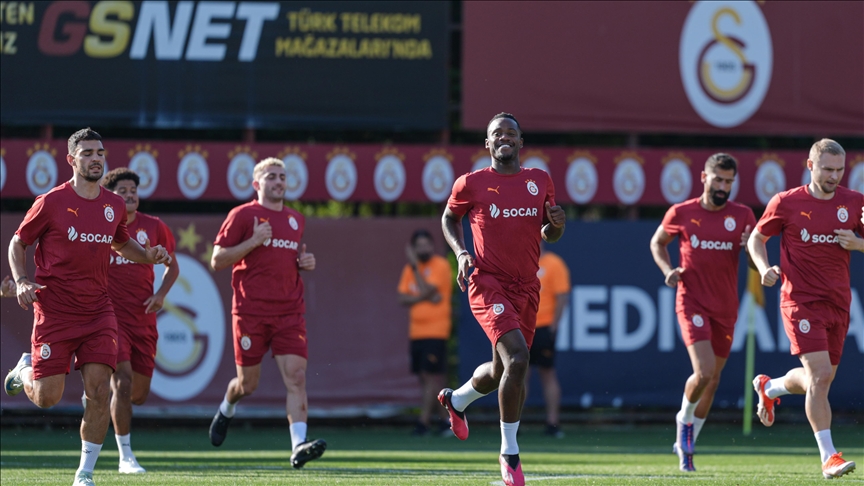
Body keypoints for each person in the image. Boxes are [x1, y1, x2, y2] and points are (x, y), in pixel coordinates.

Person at [4, 128, 170, 486]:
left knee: (98, 391)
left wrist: (149, 256)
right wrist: (20, 281)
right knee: (49, 399)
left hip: (98, 313)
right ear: (72, 160)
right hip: (55, 312)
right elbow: (17, 244)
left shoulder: (113, 205)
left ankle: (84, 474)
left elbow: (122, 245)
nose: (96, 158)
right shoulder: (49, 202)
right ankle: (24, 370)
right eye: (88, 153)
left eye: (100, 152)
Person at [438, 113, 565, 486]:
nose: (504, 137)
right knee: (519, 359)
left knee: (500, 372)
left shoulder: (539, 180)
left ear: (520, 142)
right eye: (498, 133)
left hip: (527, 286)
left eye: (511, 132)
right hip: (487, 282)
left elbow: (550, 234)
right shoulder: (472, 183)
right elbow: (449, 218)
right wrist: (462, 254)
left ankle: (456, 400)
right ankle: (509, 452)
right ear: (488, 144)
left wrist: (555, 224)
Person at [748, 139, 863, 480]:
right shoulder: (786, 202)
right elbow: (756, 237)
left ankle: (770, 388)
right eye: (828, 169)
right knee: (821, 376)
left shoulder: (854, 202)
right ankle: (829, 457)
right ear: (811, 166)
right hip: (799, 301)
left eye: (840, 170)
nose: (834, 176)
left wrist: (858, 243)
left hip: (839, 303)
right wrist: (763, 266)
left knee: (820, 380)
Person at [207, 157, 326, 469]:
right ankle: (226, 407)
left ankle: (298, 445)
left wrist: (304, 263)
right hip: (250, 312)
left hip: (289, 312)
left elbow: (289, 259)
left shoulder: (295, 219)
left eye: (282, 177)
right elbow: (217, 260)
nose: (278, 181)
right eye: (271, 176)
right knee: (247, 385)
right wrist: (254, 240)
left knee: (297, 377)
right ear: (256, 184)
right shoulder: (243, 215)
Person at [649, 153, 756, 472]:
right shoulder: (682, 212)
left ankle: (687, 442)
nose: (723, 186)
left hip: (725, 306)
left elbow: (753, 261)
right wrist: (667, 270)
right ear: (704, 178)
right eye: (718, 179)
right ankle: (684, 423)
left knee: (713, 380)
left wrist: (750, 248)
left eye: (729, 182)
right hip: (691, 301)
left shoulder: (743, 214)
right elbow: (657, 242)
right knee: (705, 370)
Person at [100, 167, 179, 474]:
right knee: (122, 381)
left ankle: (97, 392)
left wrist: (160, 295)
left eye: (133, 190)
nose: (130, 194)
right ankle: (125, 457)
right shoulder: (101, 227)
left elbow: (173, 267)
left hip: (142, 318)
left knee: (138, 394)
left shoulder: (154, 226)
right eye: (123, 191)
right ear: (111, 197)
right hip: (108, 316)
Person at [397, 229, 453, 436]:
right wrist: (424, 296)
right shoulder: (409, 269)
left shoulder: (440, 265)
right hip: (417, 332)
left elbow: (431, 291)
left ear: (432, 245)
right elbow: (402, 298)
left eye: (426, 244)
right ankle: (446, 421)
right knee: (425, 377)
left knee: (432, 376)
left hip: (436, 331)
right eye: (418, 245)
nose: (423, 249)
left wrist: (420, 286)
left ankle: (423, 422)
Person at [527, 247, 571, 438]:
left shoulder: (554, 263)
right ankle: (513, 423)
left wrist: (554, 326)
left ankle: (553, 423)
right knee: (518, 375)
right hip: (520, 327)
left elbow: (562, 296)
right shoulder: (519, 260)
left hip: (544, 326)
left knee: (547, 374)